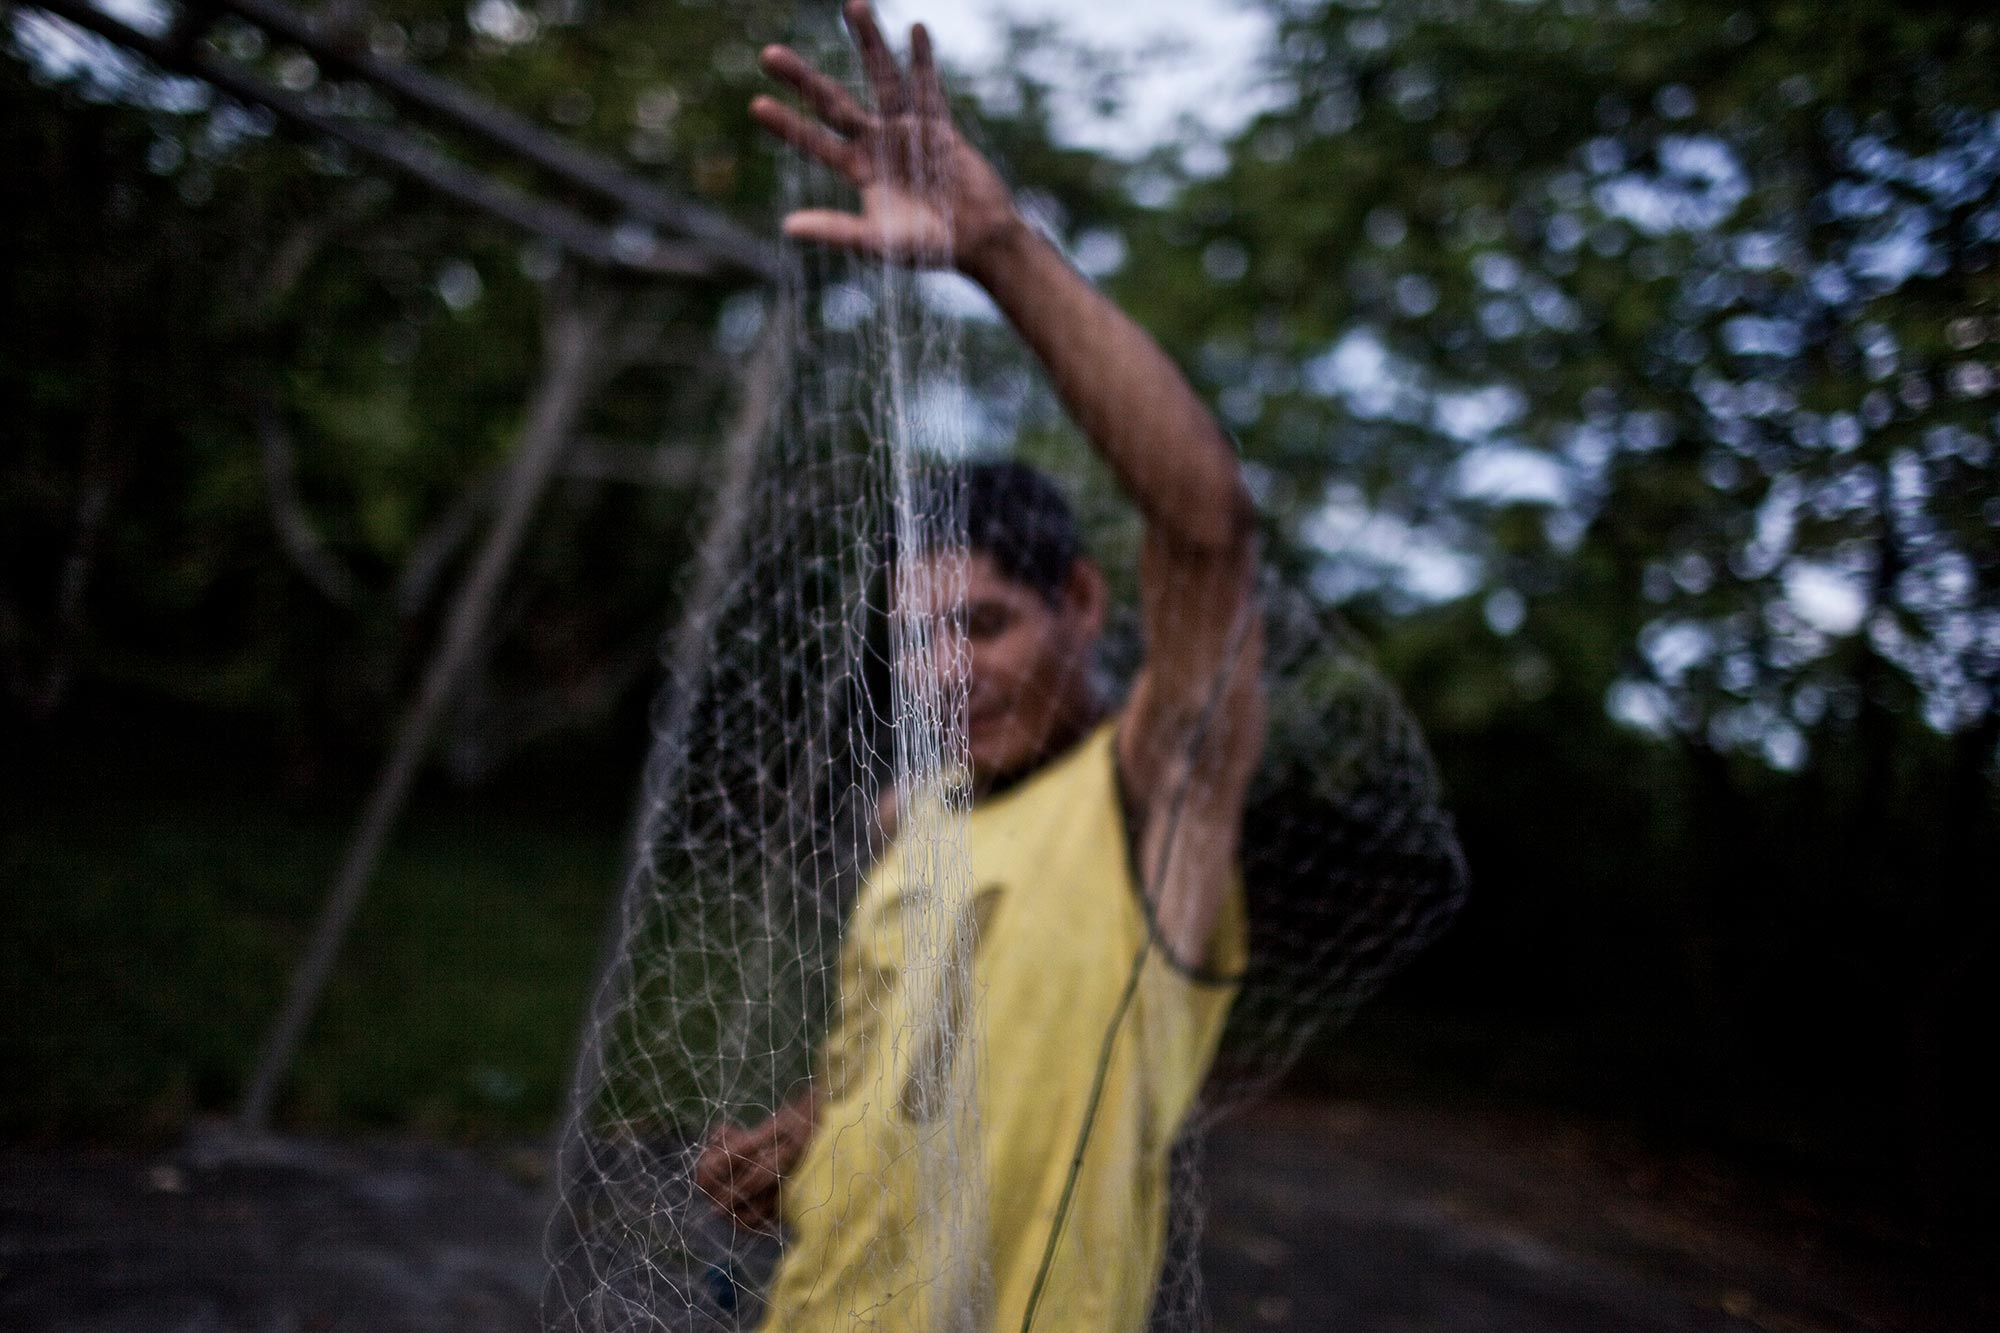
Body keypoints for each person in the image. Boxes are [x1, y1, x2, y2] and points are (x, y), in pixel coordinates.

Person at [694, 4, 1265, 1327]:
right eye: (915, 638)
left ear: (1080, 601)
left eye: (985, 625)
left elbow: (1210, 534)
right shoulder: (915, 818)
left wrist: (998, 251)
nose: (943, 672)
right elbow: (900, 1064)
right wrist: (801, 1140)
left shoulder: (1151, 802)